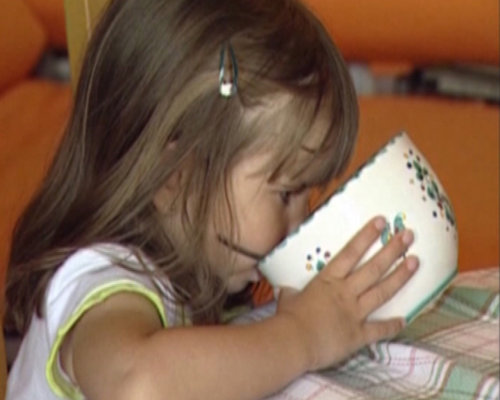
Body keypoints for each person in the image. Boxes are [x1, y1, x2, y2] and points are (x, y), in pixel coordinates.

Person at [5, 0, 419, 399]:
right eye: (286, 194)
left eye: (307, 194)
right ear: (175, 176)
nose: (301, 223)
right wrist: (303, 335)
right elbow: (137, 386)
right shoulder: (107, 279)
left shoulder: (197, 277)